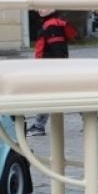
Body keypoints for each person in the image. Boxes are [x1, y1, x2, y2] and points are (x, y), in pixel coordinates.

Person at [26, 8, 77, 136]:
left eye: (43, 8)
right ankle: (87, 114)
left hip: (51, 68)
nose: (39, 10)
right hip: (51, 67)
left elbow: (57, 49)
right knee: (68, 94)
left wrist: (56, 68)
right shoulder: (51, 23)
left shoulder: (52, 25)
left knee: (46, 95)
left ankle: (39, 126)